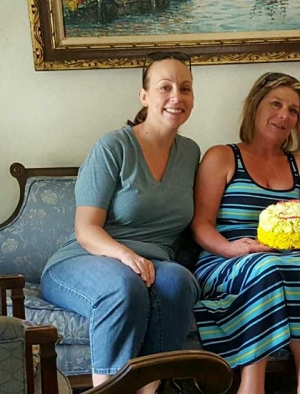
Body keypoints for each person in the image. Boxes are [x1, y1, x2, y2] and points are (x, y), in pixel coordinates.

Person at [41, 52, 201, 393]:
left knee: (180, 282)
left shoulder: (190, 153)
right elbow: (86, 229)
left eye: (185, 88)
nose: (177, 97)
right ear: (144, 96)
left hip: (153, 263)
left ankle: (148, 389)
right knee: (123, 288)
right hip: (85, 259)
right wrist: (126, 256)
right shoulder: (113, 146)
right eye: (165, 87)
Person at [191, 72, 300, 394]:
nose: (284, 115)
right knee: (265, 267)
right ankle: (251, 385)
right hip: (224, 257)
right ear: (255, 107)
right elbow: (201, 224)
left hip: (289, 258)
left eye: (293, 110)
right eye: (276, 104)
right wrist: (233, 249)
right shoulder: (222, 156)